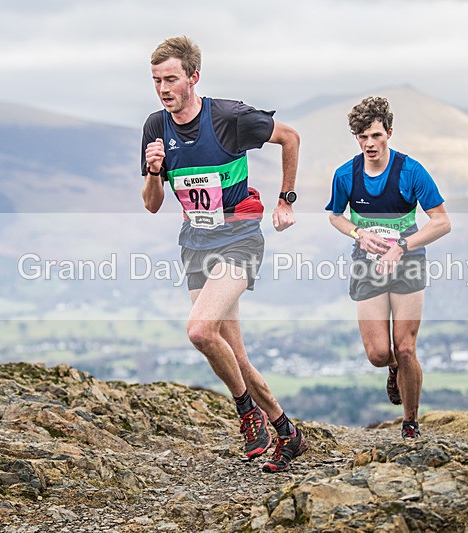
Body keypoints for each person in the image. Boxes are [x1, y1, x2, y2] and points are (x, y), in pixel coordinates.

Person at [141, 36, 307, 472]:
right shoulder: (155, 127)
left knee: (199, 331)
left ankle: (246, 413)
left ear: (193, 77)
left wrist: (285, 198)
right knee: (235, 355)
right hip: (195, 243)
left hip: (239, 238)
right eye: (156, 80)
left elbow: (290, 137)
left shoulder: (230, 117)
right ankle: (287, 431)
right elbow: (153, 203)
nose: (163, 88)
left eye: (171, 79)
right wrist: (155, 172)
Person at [326, 96, 451, 439]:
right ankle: (392, 368)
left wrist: (402, 246)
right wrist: (358, 232)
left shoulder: (411, 171)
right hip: (367, 264)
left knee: (406, 346)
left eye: (376, 135)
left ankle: (410, 423)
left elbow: (441, 222)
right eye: (362, 136)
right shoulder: (346, 175)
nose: (369, 143)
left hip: (407, 261)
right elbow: (335, 216)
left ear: (389, 133)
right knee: (381, 353)